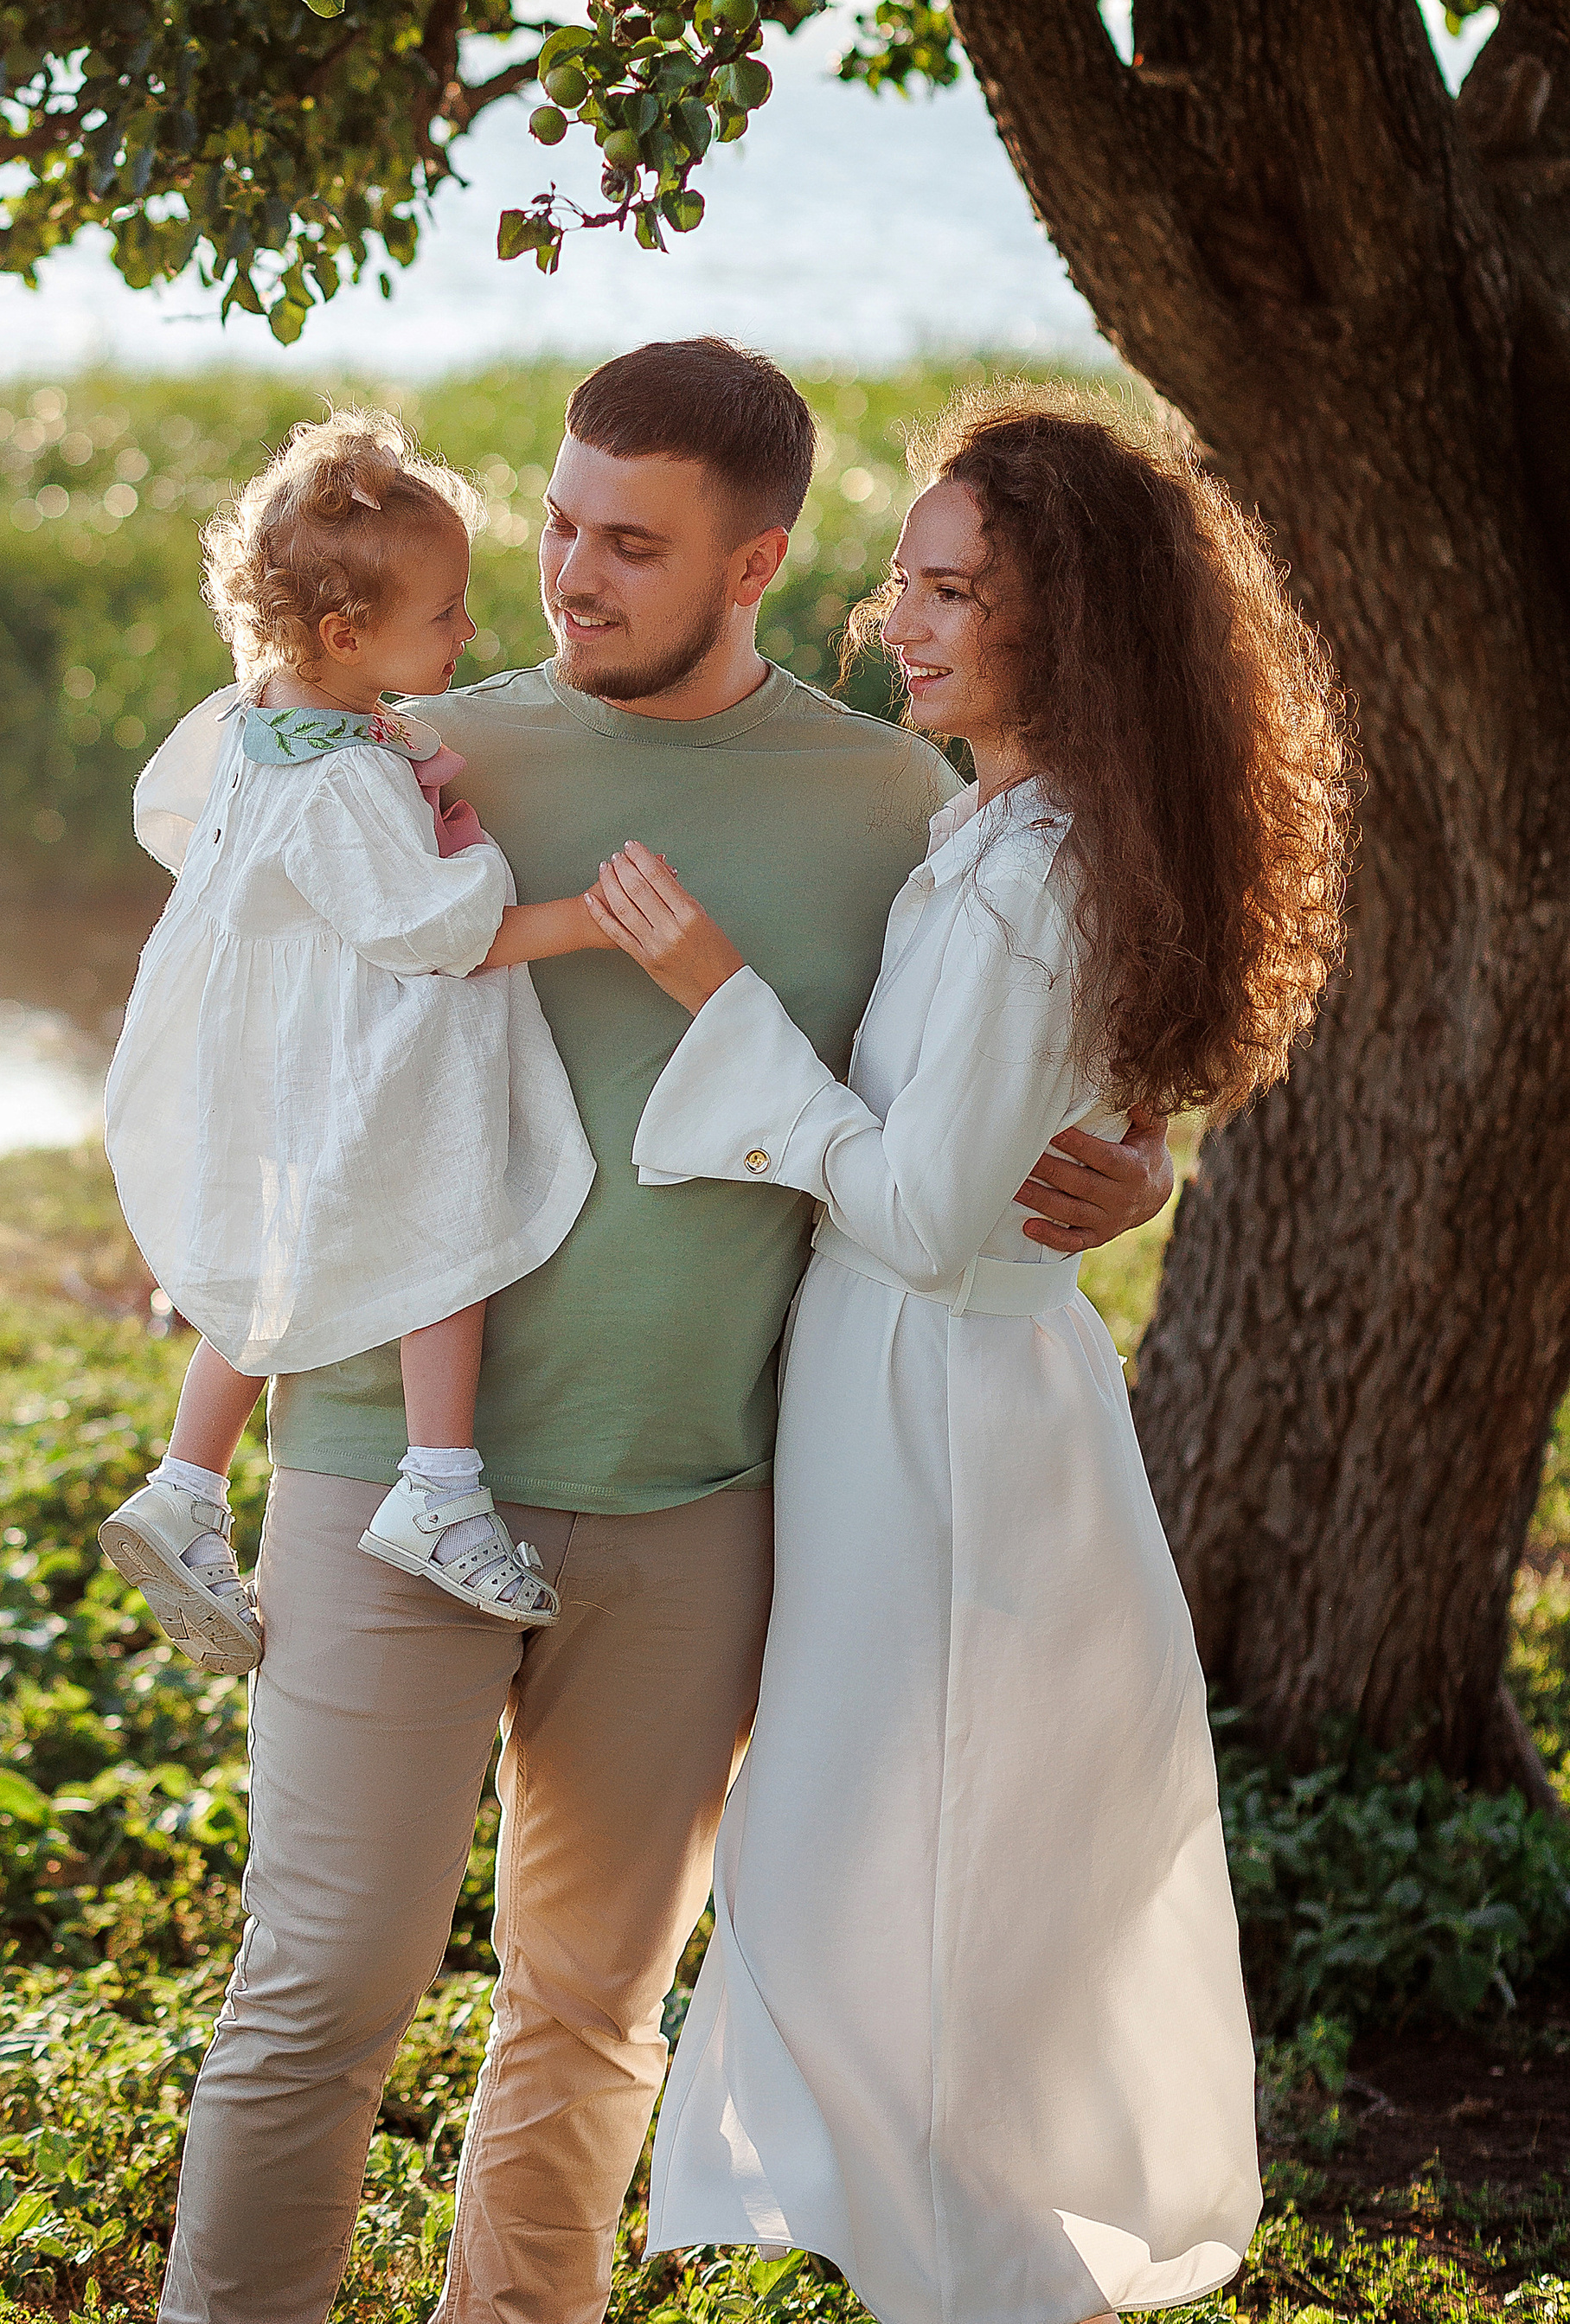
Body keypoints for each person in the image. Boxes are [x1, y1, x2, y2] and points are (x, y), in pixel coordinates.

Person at [157, 339, 1175, 2324]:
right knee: (317, 1992)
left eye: (630, 543)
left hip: (698, 1488)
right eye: (553, 522)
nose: (566, 574)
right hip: (386, 1464)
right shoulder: (400, 754)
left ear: (756, 559)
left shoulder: (891, 803)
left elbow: (1009, 1048)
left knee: (587, 2011)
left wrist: (1134, 1160)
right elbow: (231, 1017)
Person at [586, 392, 1352, 2324]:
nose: (899, 620)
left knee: (909, 1905)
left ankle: (976, 2280)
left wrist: (714, 1004)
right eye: (906, 578)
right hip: (927, 1404)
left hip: (940, 1418)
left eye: (953, 592)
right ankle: (949, 2267)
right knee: (901, 1889)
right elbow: (1018, 1119)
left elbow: (926, 1217)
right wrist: (1132, 1158)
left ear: (1064, 629)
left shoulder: (1025, 872)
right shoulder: (997, 829)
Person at [99, 411, 606, 1673]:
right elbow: (446, 933)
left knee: (264, 1265)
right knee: (453, 1225)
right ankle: (439, 1484)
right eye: (444, 616)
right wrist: (561, 898)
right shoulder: (346, 778)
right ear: (345, 635)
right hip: (364, 1055)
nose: (470, 635)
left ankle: (183, 1487)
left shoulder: (257, 715)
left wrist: (398, 760)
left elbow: (185, 825)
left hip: (271, 1046)